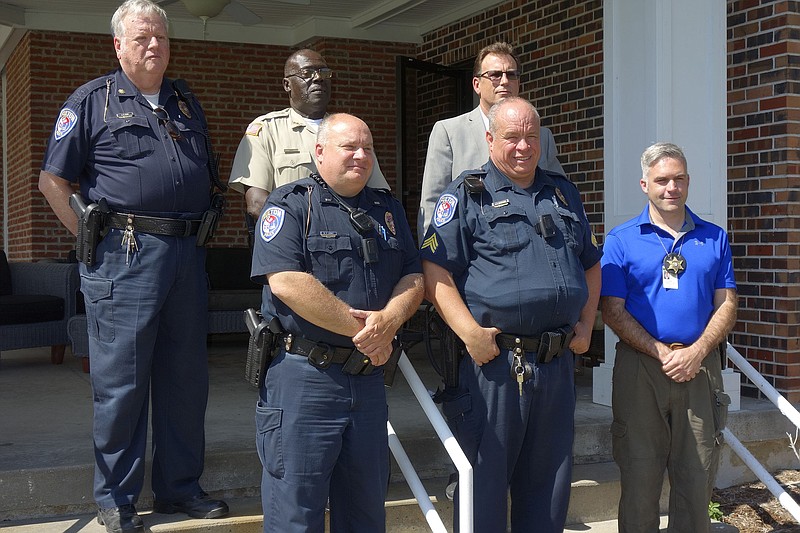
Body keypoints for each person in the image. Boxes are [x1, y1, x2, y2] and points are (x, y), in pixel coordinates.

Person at [37, 1, 228, 532]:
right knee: (122, 383)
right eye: (142, 38)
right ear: (118, 45)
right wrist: (88, 239)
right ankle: (116, 498)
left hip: (187, 255)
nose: (154, 46)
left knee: (186, 379)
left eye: (162, 38)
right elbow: (53, 181)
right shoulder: (92, 101)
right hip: (124, 255)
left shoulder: (185, 102)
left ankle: (179, 490)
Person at [420, 97, 602, 533]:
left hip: (556, 364)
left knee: (549, 487)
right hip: (496, 365)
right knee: (483, 487)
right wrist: (468, 333)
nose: (523, 146)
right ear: (489, 139)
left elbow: (592, 263)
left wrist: (586, 325)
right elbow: (434, 269)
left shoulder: (562, 192)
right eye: (511, 137)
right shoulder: (468, 193)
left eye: (530, 136)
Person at [250, 113, 424, 532]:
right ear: (320, 151)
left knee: (365, 511)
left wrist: (392, 318)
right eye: (349, 147)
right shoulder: (290, 204)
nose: (361, 156)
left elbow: (415, 276)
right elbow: (288, 282)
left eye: (367, 147)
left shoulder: (388, 209)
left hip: (366, 381)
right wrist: (369, 332)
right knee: (296, 512)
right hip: (304, 382)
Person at [600, 142, 738, 533]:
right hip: (641, 369)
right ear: (645, 184)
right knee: (641, 480)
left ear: (688, 182)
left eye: (679, 179)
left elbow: (726, 304)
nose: (671, 187)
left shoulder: (714, 238)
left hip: (700, 368)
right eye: (662, 180)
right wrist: (661, 351)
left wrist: (697, 351)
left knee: (696, 481)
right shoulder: (622, 239)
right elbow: (612, 310)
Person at [417, 41, 565, 242]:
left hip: (534, 248)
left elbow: (560, 196)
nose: (504, 81)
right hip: (474, 254)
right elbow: (433, 203)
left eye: (511, 74)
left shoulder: (541, 136)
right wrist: (435, 262)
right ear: (477, 84)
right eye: (495, 75)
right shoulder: (449, 132)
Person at [228, 49, 390, 226]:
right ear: (287, 85)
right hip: (296, 245)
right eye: (307, 73)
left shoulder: (350, 130)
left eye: (324, 73)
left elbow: (379, 199)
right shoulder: (267, 130)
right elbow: (257, 204)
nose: (318, 78)